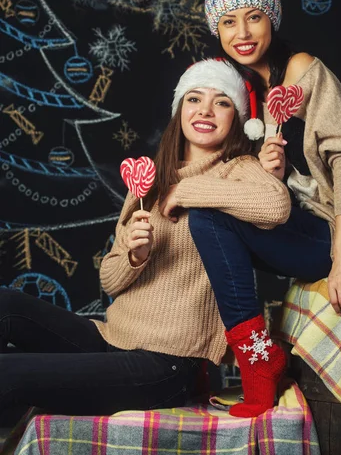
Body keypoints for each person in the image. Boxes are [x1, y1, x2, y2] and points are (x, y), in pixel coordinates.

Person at [0, 58, 291, 421]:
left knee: (8, 374)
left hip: (164, 366)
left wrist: (184, 191)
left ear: (237, 116)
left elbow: (276, 205)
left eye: (222, 102)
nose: (205, 110)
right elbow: (109, 279)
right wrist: (135, 255)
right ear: (179, 109)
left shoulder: (239, 171)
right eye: (194, 99)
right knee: (5, 305)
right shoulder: (149, 179)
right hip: (110, 337)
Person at [186, 0, 341, 415]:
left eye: (253, 16)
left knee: (208, 216)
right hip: (295, 230)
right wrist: (272, 177)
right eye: (227, 21)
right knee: (207, 217)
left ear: (272, 18)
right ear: (215, 29)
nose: (242, 32)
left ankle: (258, 364)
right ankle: (227, 358)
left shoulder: (301, 72)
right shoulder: (237, 91)